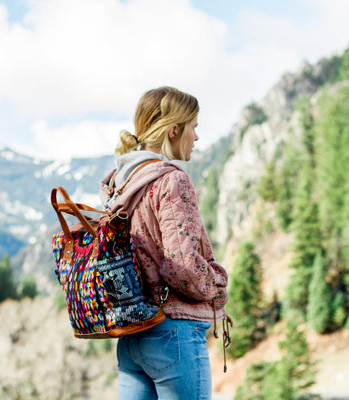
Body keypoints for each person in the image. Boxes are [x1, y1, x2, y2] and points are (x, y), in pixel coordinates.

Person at [99, 86, 231, 400]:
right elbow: (182, 267)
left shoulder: (121, 184)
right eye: (193, 127)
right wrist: (218, 283)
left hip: (133, 338)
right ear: (173, 130)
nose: (196, 137)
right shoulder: (172, 180)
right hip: (173, 333)